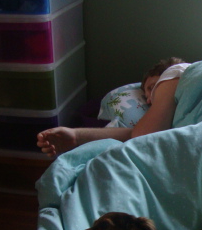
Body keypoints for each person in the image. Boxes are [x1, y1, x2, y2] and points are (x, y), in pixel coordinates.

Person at [37, 57, 190, 157]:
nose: (149, 100)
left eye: (151, 87)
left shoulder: (176, 74)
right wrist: (76, 136)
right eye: (146, 95)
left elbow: (143, 136)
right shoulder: (171, 116)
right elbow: (136, 133)